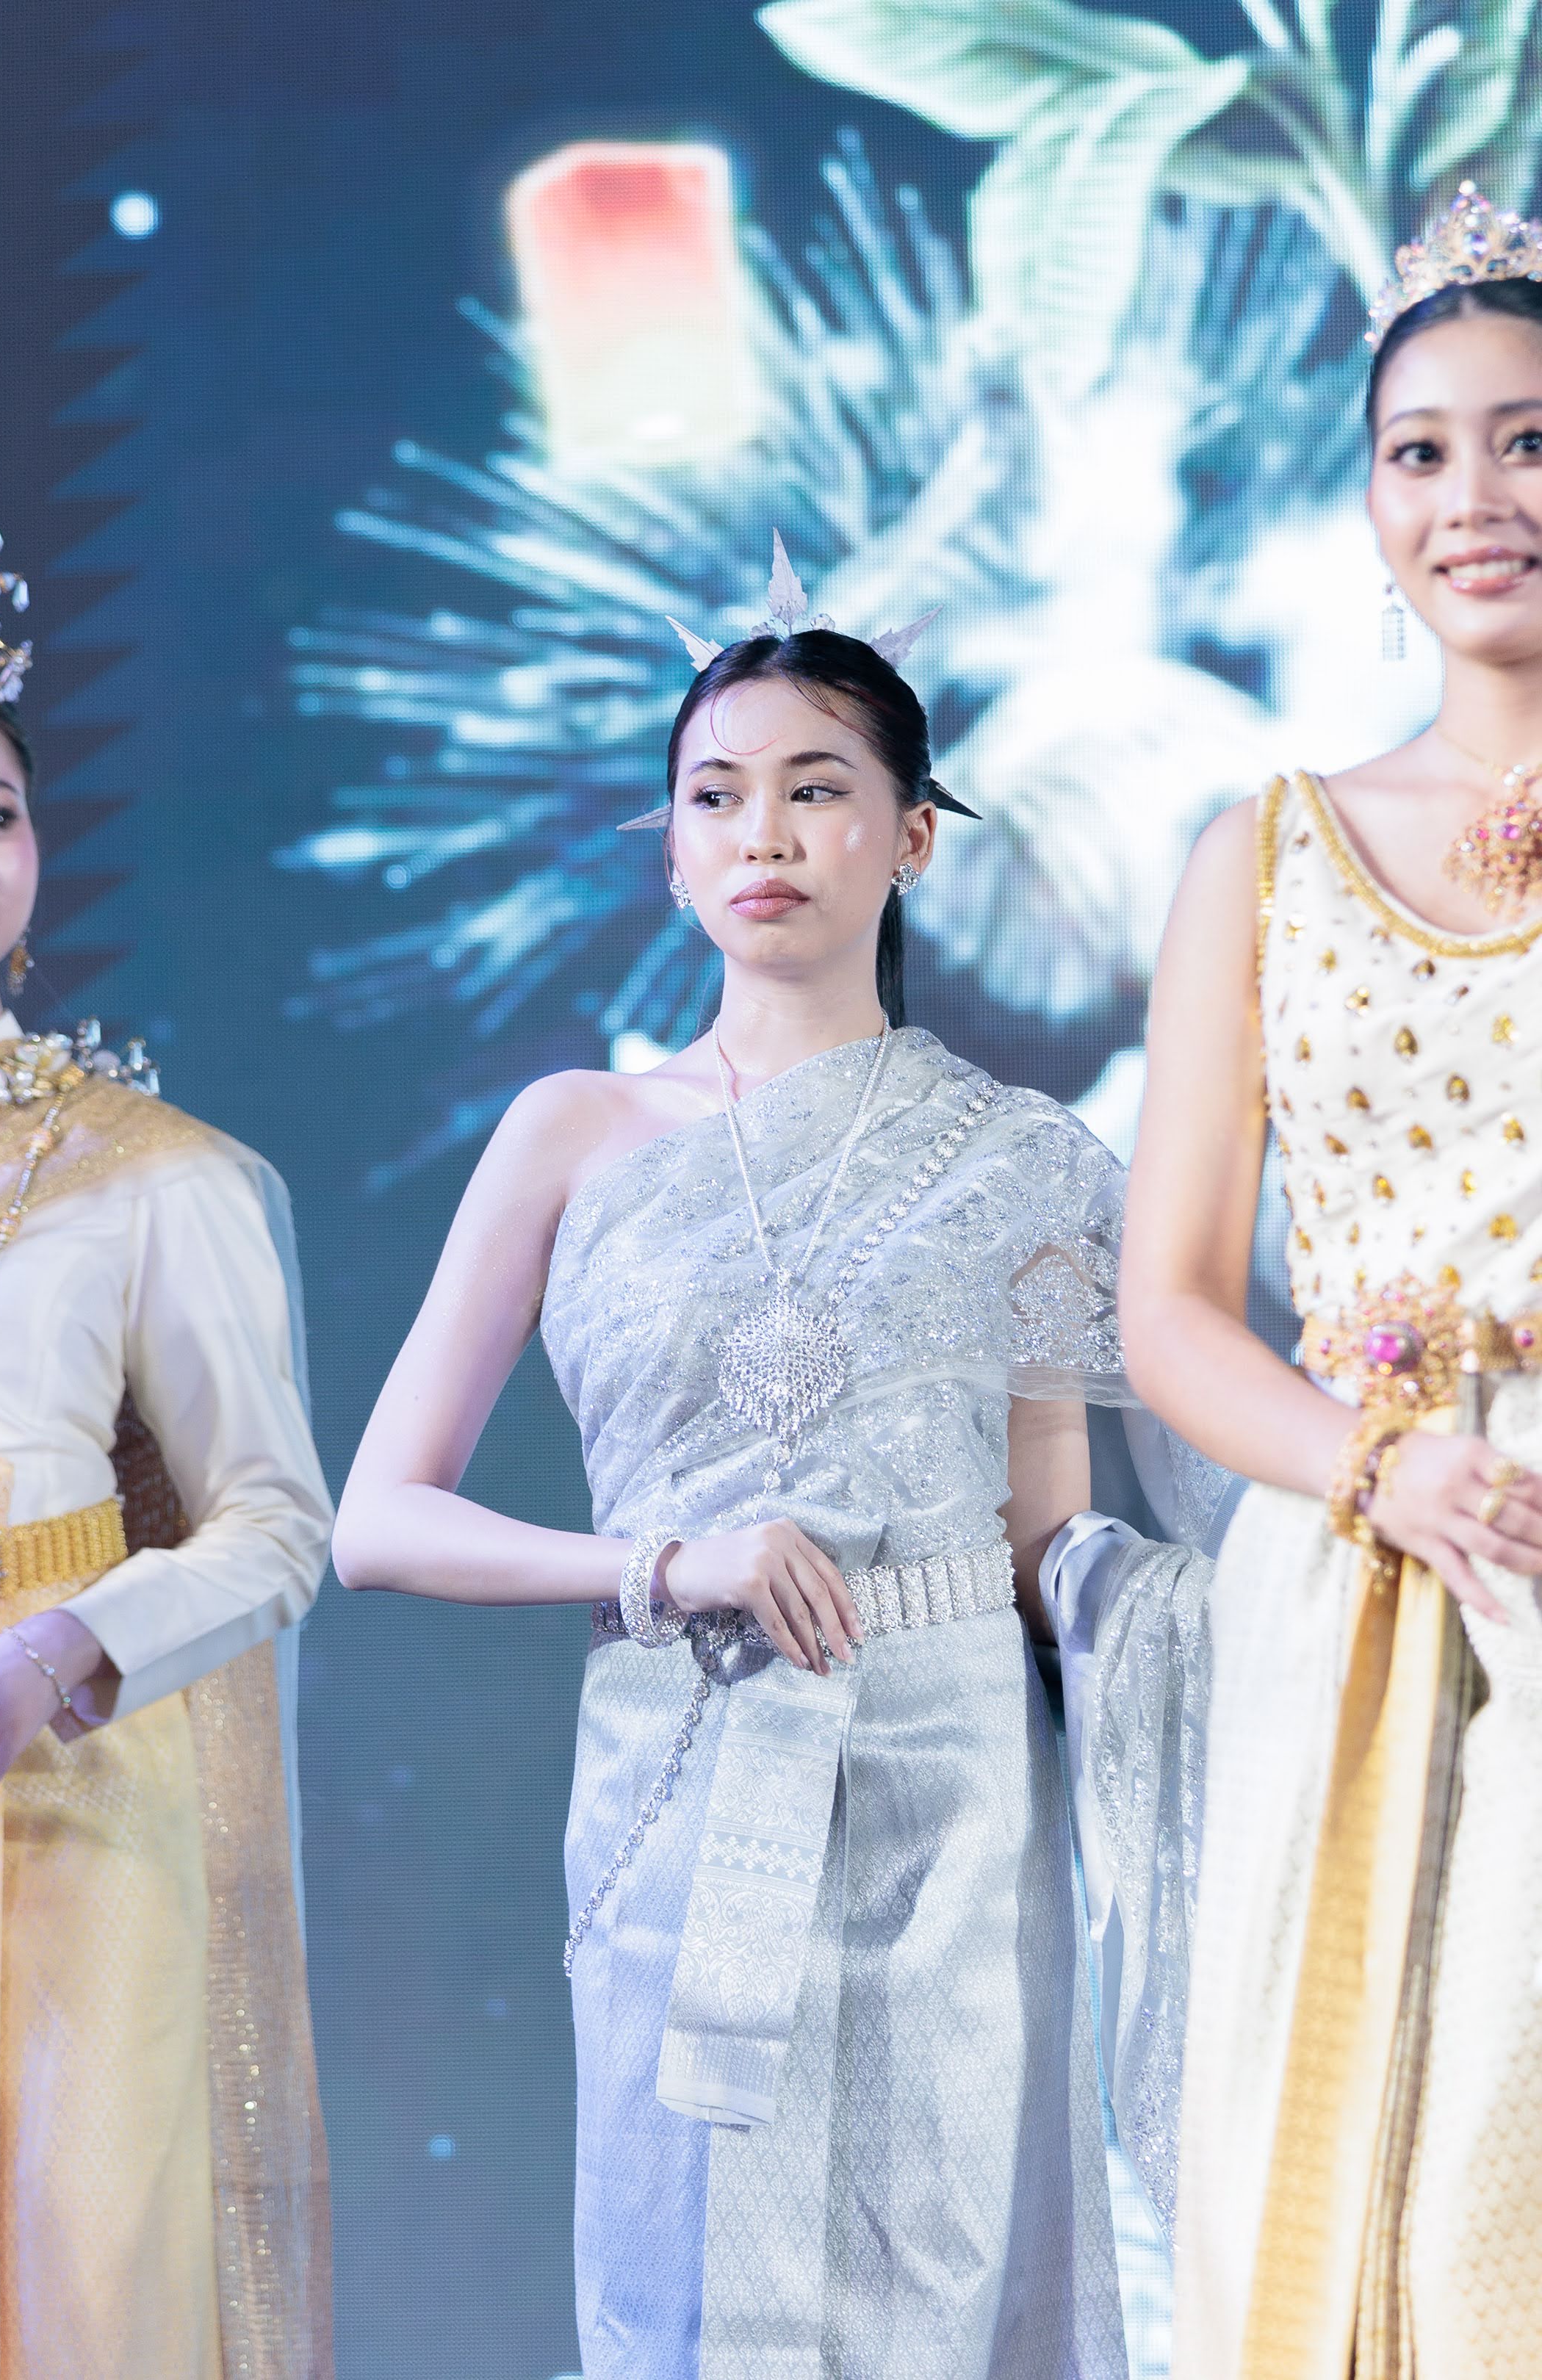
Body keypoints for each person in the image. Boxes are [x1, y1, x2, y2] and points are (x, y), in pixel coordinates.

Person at [334, 540, 1221, 2379]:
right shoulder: (575, 1132)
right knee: (683, 2289)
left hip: (954, 1802)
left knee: (941, 2281)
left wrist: (1242, 1624)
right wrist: (666, 1566)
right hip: (682, 1770)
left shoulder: (1022, 1156)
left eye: (819, 790)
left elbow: (1049, 1543)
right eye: (717, 796)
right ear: (670, 850)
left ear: (913, 837)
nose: (765, 834)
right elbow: (376, 1521)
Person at [1120, 184, 1542, 2380]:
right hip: (1358, 1570)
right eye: (1421, 451)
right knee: (1333, 2179)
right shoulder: (1266, 851)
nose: (1478, 499)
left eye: (1531, 441)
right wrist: (1382, 1470)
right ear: (1372, 504)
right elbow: (1172, 1306)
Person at [0, 383, 335, 2380]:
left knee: (79, 2298)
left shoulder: (150, 1175)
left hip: (69, 1803)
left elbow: (277, 1523)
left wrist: (61, 1650)